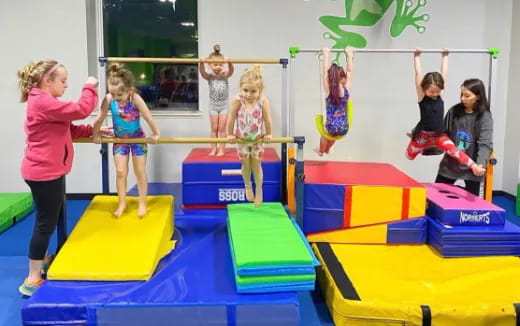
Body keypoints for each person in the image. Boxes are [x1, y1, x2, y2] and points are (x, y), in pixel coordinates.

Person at [17, 60, 109, 296]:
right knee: (45, 223)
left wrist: (95, 131)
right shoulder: (42, 101)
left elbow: (69, 128)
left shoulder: (46, 103)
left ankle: (43, 259)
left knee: (51, 217)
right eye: (63, 80)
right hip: (43, 172)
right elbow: (80, 109)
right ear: (47, 82)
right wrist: (90, 87)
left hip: (47, 171)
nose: (67, 85)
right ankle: (33, 277)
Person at [93, 63, 160, 218]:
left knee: (140, 171)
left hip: (138, 140)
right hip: (119, 140)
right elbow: (100, 118)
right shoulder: (109, 99)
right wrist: (95, 134)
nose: (116, 97)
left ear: (129, 90)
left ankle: (142, 203)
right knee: (120, 172)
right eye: (113, 93)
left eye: (119, 95)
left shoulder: (135, 98)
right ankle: (122, 203)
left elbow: (148, 117)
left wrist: (156, 134)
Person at [406, 48, 485, 176]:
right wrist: (417, 56)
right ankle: (414, 135)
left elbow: (444, 74)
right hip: (423, 135)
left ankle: (474, 166)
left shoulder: (439, 94)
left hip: (439, 135)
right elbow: (418, 74)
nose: (435, 94)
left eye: (438, 91)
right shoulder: (422, 97)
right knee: (409, 156)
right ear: (424, 89)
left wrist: (445, 56)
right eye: (432, 92)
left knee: (454, 150)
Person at [435, 79, 492, 196]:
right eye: (461, 95)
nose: (462, 99)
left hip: (473, 167)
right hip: (450, 165)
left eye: (467, 96)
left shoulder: (484, 117)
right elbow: (442, 134)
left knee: (471, 206)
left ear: (478, 97)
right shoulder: (454, 111)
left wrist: (480, 165)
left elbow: (485, 144)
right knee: (436, 197)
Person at [227, 65, 272, 207]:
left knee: (256, 165)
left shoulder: (262, 101)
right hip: (242, 140)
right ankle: (247, 186)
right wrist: (229, 134)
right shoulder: (237, 100)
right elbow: (231, 118)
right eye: (245, 90)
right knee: (246, 165)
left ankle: (259, 190)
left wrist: (269, 133)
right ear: (241, 89)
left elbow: (267, 119)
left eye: (253, 91)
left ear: (260, 91)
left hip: (257, 139)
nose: (249, 94)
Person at [314, 47, 353, 156]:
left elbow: (325, 74)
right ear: (343, 78)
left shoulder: (328, 90)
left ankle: (321, 151)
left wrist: (326, 54)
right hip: (344, 128)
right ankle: (328, 149)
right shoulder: (347, 90)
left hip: (331, 128)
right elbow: (349, 71)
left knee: (326, 134)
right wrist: (349, 55)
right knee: (336, 130)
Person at [200, 44, 234, 156]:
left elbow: (231, 71)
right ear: (210, 65)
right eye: (215, 65)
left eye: (220, 65)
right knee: (214, 128)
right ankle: (213, 149)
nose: (218, 67)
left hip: (224, 106)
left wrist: (229, 62)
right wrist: (201, 63)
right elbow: (202, 73)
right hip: (213, 106)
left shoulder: (225, 75)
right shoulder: (210, 77)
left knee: (222, 128)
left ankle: (222, 149)